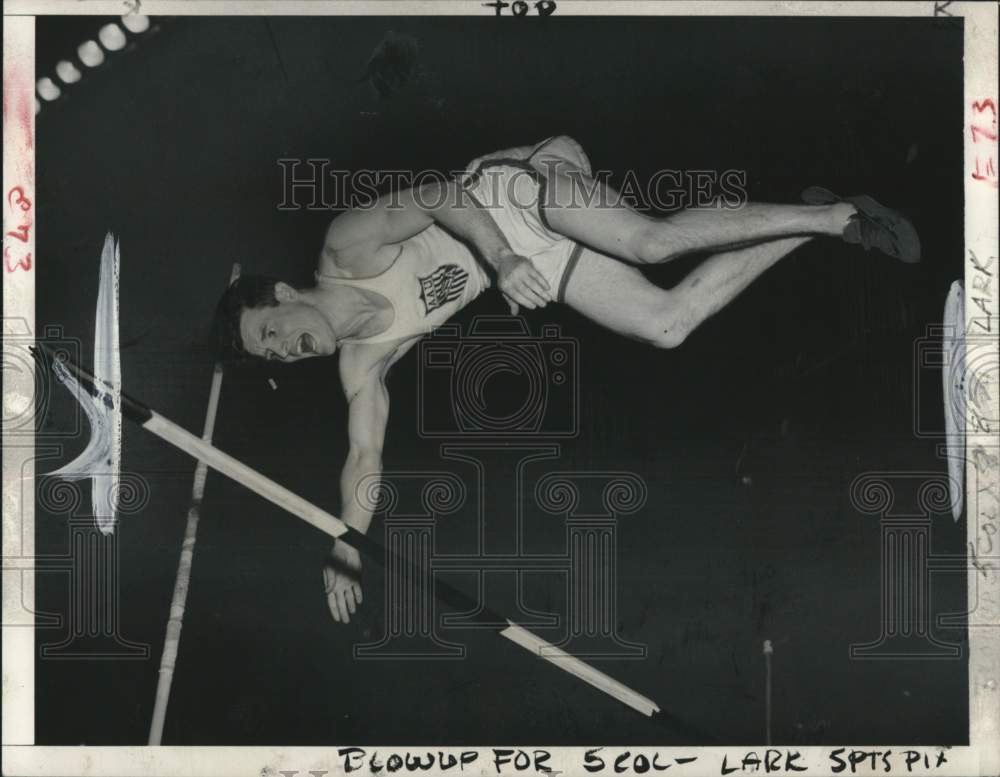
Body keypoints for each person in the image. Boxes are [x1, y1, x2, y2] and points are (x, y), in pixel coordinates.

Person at [213, 135, 919, 624]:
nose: (286, 351)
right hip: (531, 258)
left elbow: (438, 194)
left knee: (651, 239)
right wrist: (347, 545)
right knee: (667, 322)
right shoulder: (359, 366)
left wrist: (500, 256)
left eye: (272, 334)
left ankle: (840, 216)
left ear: (280, 294)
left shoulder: (346, 244)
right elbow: (365, 456)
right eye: (274, 358)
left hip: (513, 188)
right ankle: (810, 220)